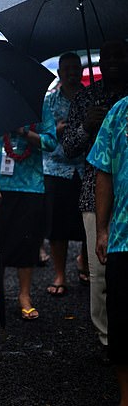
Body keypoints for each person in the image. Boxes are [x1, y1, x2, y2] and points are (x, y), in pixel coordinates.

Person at [63, 39, 128, 356]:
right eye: (109, 56)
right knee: (101, 271)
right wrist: (87, 128)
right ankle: (107, 338)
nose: (114, 61)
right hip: (93, 193)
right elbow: (68, 149)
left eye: (121, 55)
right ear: (100, 62)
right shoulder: (87, 97)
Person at [0, 107, 57, 317]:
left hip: (31, 186)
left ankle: (25, 295)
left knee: (27, 243)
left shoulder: (39, 108)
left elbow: (50, 143)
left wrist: (23, 132)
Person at [87, 95, 128, 406]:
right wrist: (102, 229)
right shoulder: (119, 112)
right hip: (123, 239)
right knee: (123, 327)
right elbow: (104, 172)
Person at [42, 52, 87, 295]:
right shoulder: (49, 101)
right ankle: (60, 274)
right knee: (58, 227)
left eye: (75, 68)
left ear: (81, 71)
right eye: (66, 69)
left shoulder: (90, 97)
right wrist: (59, 129)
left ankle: (85, 261)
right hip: (56, 168)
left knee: (87, 222)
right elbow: (45, 133)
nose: (71, 72)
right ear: (59, 73)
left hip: (85, 167)